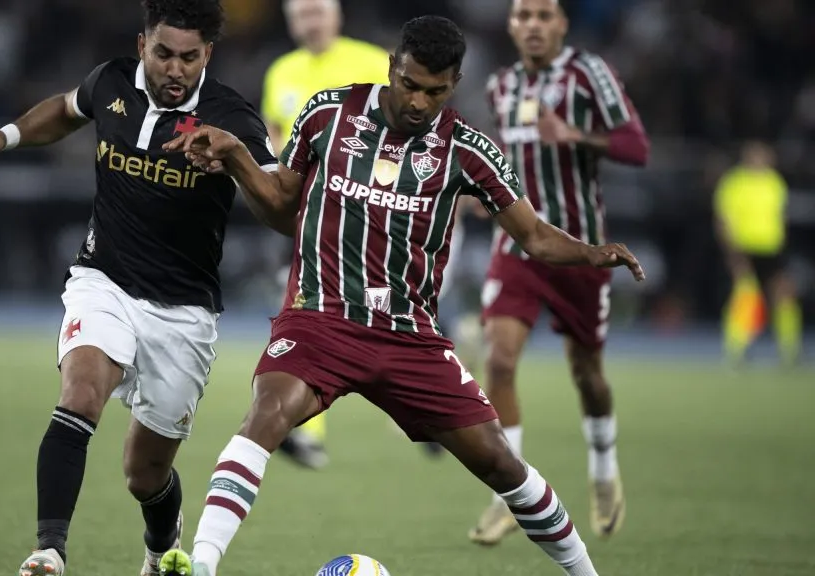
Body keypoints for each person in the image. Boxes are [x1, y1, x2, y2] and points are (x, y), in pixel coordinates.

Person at [158, 15, 645, 576]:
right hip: (321, 319)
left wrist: (590, 252)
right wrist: (240, 158)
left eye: (435, 91)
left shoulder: (466, 148)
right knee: (265, 416)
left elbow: (532, 235)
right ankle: (201, 564)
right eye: (410, 84)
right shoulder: (327, 113)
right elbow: (281, 210)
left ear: (454, 83)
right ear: (393, 66)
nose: (418, 101)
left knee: (501, 463)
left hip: (409, 337)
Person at [0, 2, 279, 575]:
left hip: (184, 311)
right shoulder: (112, 81)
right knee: (79, 395)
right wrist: (2, 138)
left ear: (209, 56)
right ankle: (49, 550)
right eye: (164, 54)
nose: (175, 69)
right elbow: (66, 110)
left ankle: (159, 546)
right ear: (142, 43)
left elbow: (280, 202)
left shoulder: (231, 117)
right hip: (104, 279)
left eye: (190, 58)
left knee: (143, 472)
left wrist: (234, 155)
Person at [470, 0, 650, 545]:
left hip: (578, 248)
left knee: (587, 375)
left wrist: (577, 136)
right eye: (523, 15)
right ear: (511, 25)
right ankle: (511, 491)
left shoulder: (588, 73)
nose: (533, 25)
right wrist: (483, 195)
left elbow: (636, 146)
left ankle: (602, 470)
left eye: (544, 15)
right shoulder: (500, 87)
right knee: (498, 360)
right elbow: (506, 160)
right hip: (519, 246)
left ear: (562, 24)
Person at [260, 0, 430, 467]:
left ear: (336, 15)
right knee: (299, 304)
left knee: (392, 307)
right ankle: (306, 430)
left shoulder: (372, 62)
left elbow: (410, 127)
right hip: (309, 214)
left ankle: (430, 404)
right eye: (301, 12)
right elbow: (275, 132)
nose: (310, 19)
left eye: (318, 10)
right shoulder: (281, 71)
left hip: (370, 212)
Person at [715, 140, 801, 367]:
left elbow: (781, 216)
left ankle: (790, 351)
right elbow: (723, 220)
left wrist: (784, 243)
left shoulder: (775, 182)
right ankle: (735, 352)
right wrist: (732, 253)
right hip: (745, 248)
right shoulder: (734, 183)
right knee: (746, 296)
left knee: (784, 295)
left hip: (772, 249)